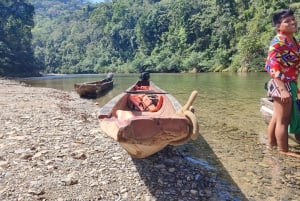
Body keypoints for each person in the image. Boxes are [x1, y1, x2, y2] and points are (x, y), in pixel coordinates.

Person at [265, 9, 300, 158]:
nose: (292, 22)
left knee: (276, 117)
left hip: (289, 82)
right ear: (278, 26)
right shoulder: (278, 41)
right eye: (287, 21)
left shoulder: (293, 40)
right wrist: (282, 89)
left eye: (293, 19)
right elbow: (271, 66)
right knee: (283, 120)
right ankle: (283, 150)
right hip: (281, 83)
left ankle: (271, 144)